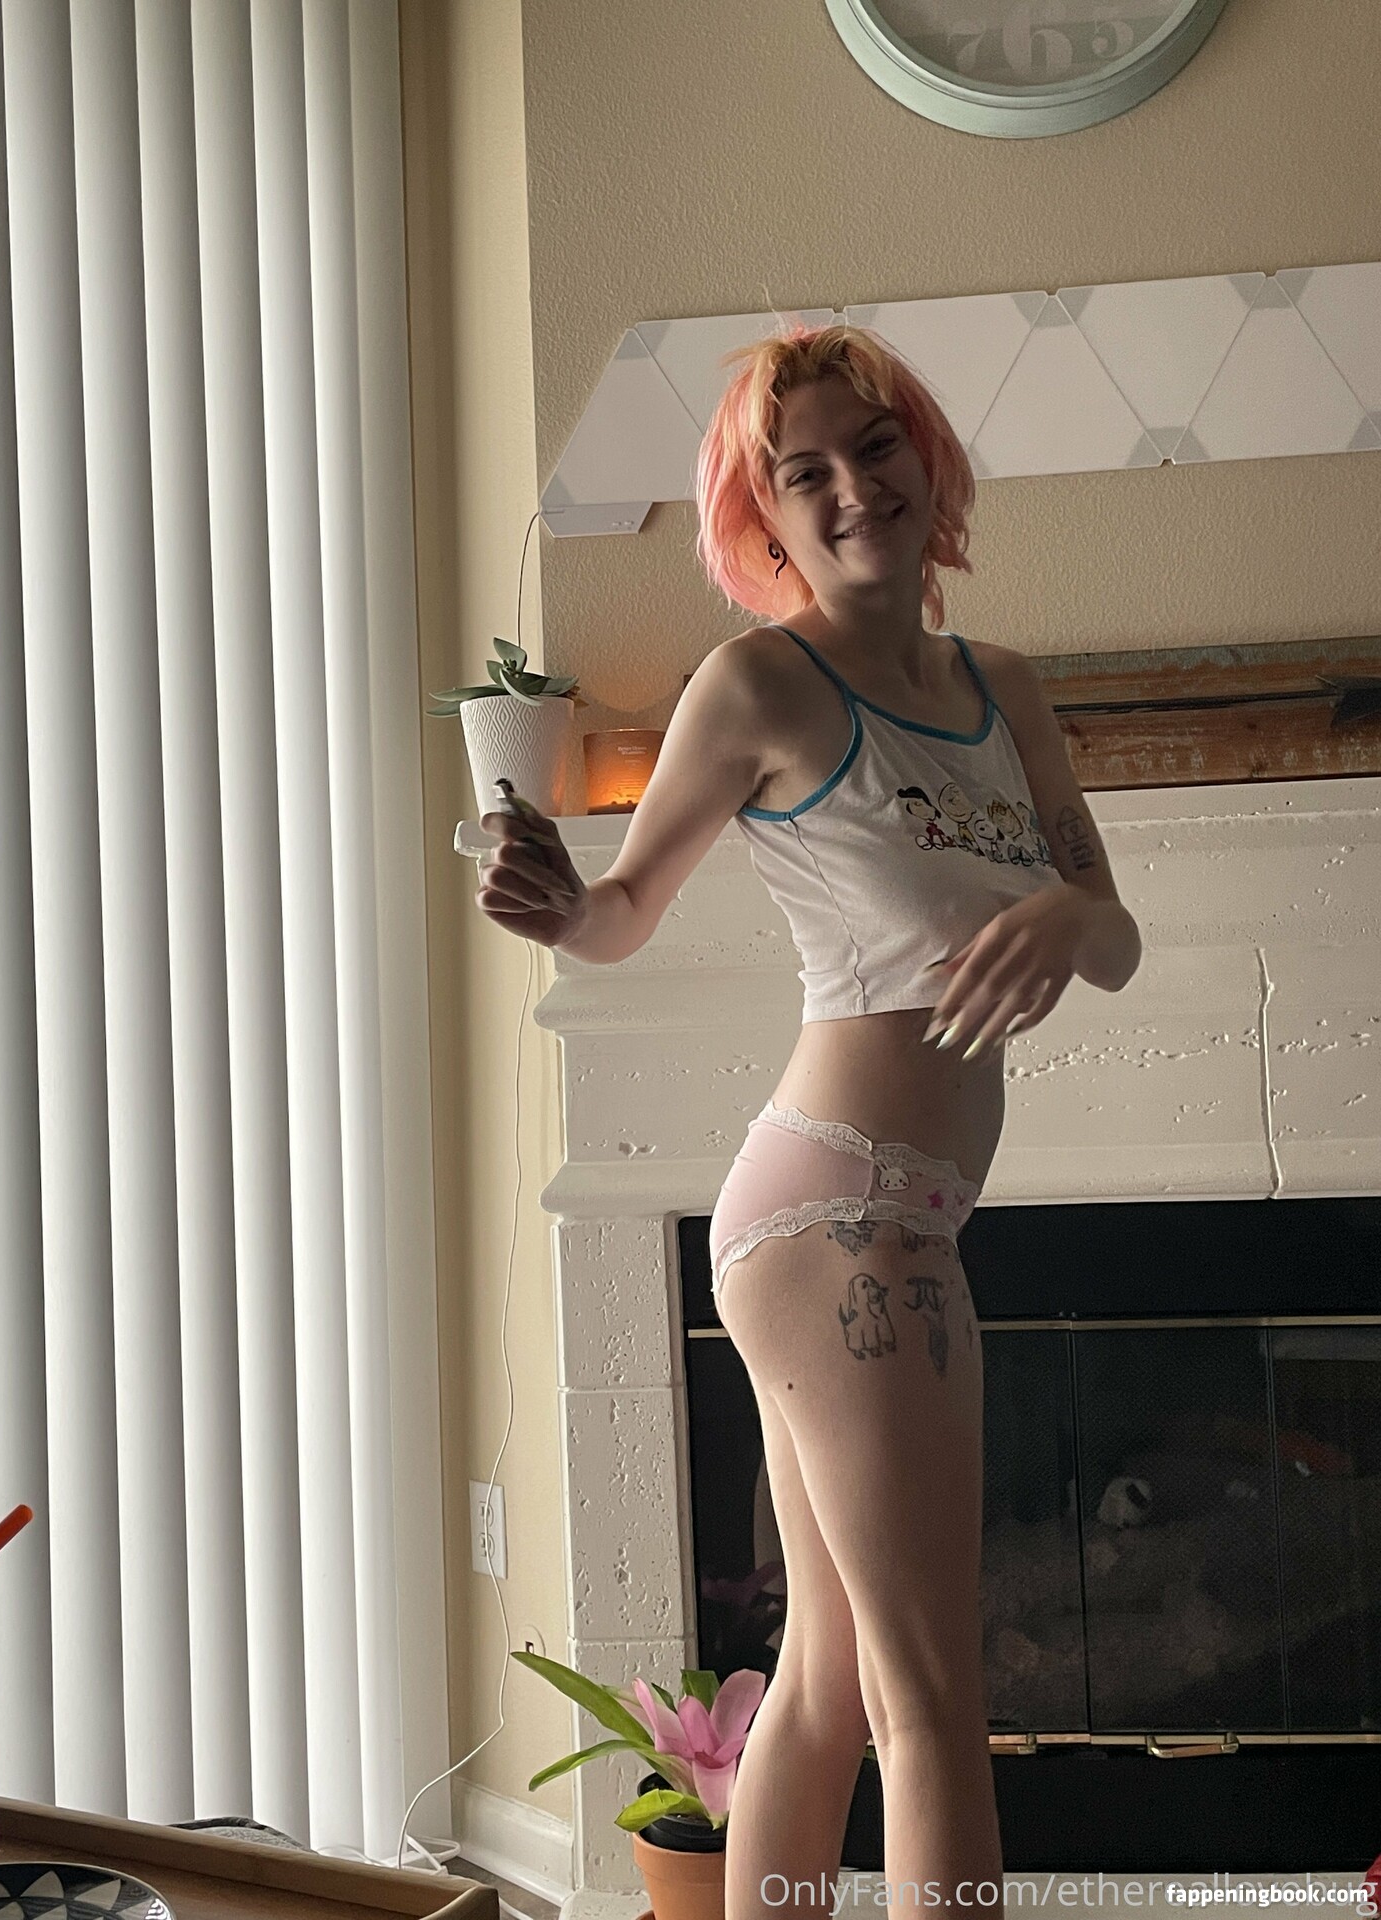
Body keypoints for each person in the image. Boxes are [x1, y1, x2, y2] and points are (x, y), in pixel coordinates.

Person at [474, 322, 1142, 1918]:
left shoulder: (1004, 690)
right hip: (846, 1215)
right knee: (935, 1703)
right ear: (762, 518)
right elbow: (624, 908)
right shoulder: (760, 684)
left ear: (928, 458)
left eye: (877, 445)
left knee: (835, 1680)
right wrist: (559, 906)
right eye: (805, 471)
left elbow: (1112, 934)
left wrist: (1065, 915)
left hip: (878, 1219)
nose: (853, 488)